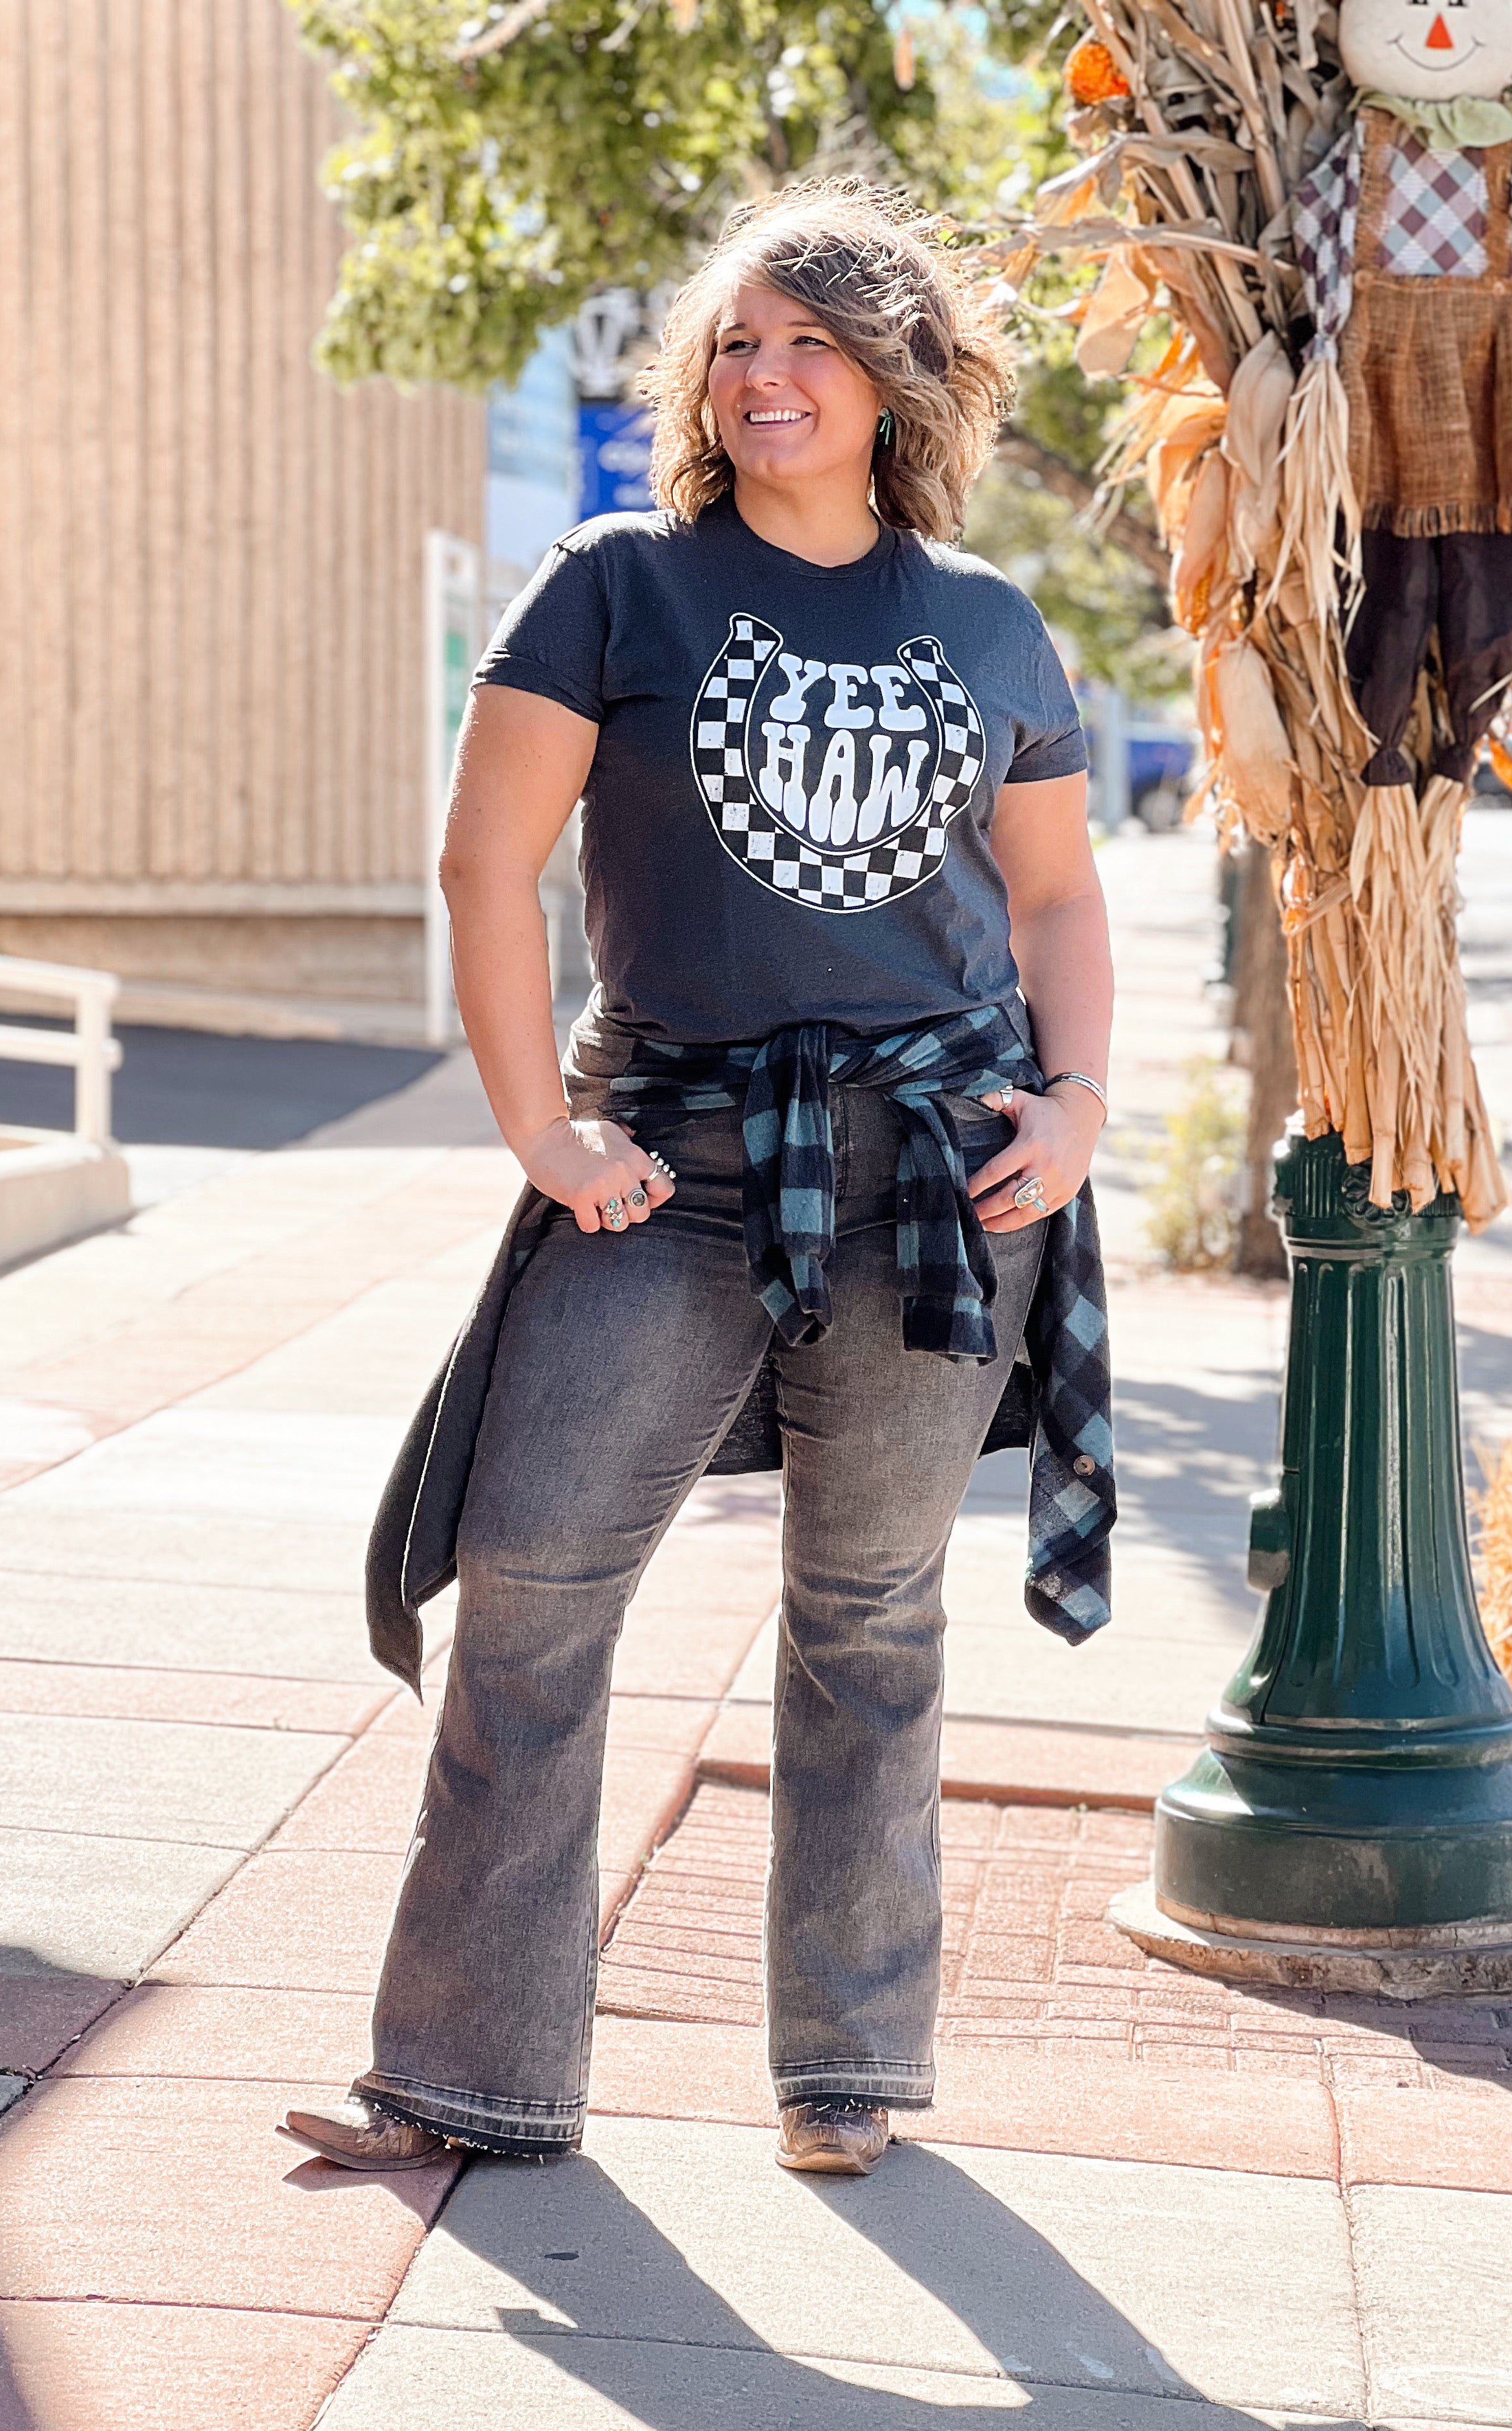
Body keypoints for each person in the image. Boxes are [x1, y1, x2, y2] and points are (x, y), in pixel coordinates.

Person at [282, 179, 1116, 2184]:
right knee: (539, 1588)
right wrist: (538, 1132)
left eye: (808, 340)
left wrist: (1076, 1106)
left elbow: (1063, 895)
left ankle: (847, 2070)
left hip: (934, 1180)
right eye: (736, 342)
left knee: (872, 1614)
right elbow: (489, 870)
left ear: (900, 374)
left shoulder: (988, 624)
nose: (763, 374)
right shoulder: (618, 585)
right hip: (670, 1163)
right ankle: (467, 2075)